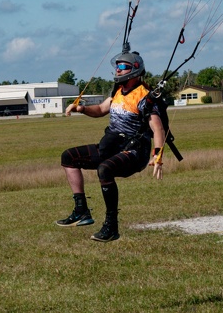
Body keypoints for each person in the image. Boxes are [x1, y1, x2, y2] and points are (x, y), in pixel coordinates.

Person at [56, 51, 165, 242]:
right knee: (69, 157)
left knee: (104, 169)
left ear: (135, 70)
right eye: (117, 66)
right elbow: (99, 110)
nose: (118, 69)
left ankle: (111, 227)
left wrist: (158, 155)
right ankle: (82, 211)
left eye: (123, 66)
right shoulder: (117, 91)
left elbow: (157, 128)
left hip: (134, 152)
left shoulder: (144, 97)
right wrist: (80, 108)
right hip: (113, 147)